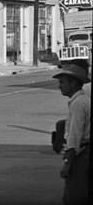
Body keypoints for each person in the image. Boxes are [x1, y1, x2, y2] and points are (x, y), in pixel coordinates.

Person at [53, 60, 90, 205]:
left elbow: (75, 136)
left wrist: (68, 163)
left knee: (75, 195)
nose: (60, 86)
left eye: (62, 82)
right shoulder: (81, 100)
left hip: (82, 155)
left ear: (73, 83)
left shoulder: (78, 104)